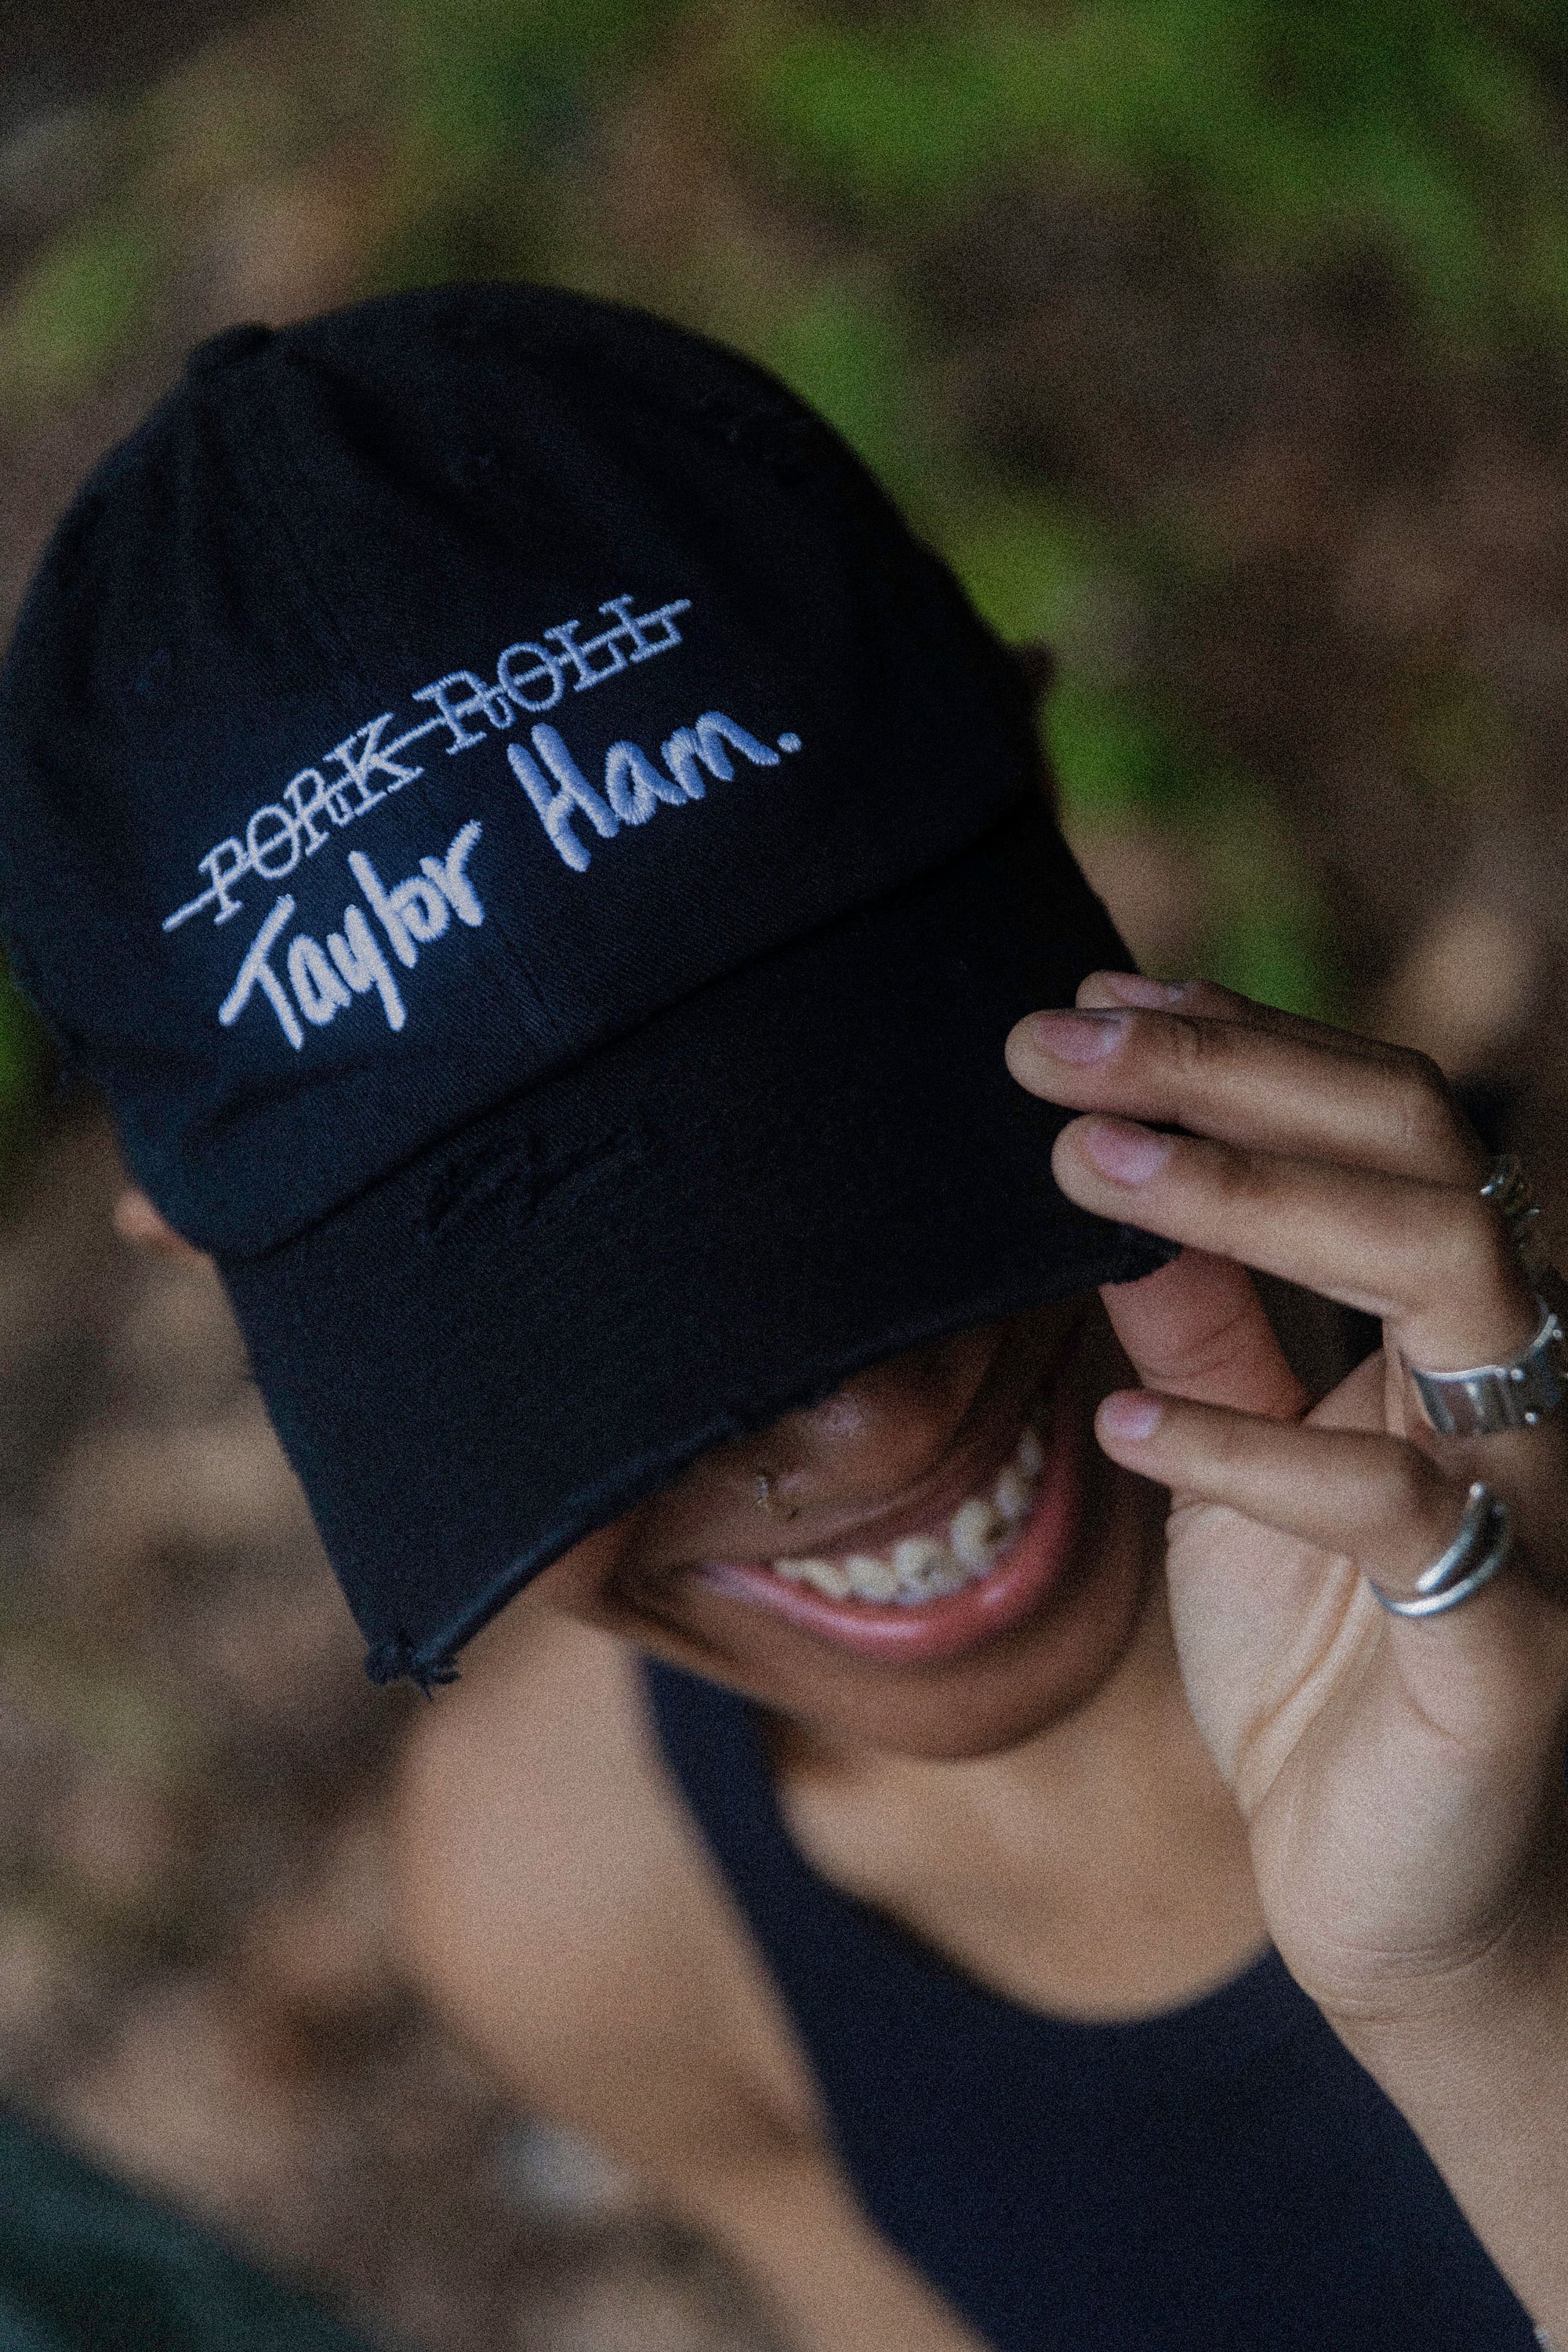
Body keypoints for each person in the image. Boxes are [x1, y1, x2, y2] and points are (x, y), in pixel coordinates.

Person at [2, 284, 1565, 2352]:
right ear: (199, 1254)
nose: (880, 1426)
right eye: (604, 1324)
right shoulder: (591, 1911)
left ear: (1034, 747)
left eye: (866, 1178)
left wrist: (1507, 1987)